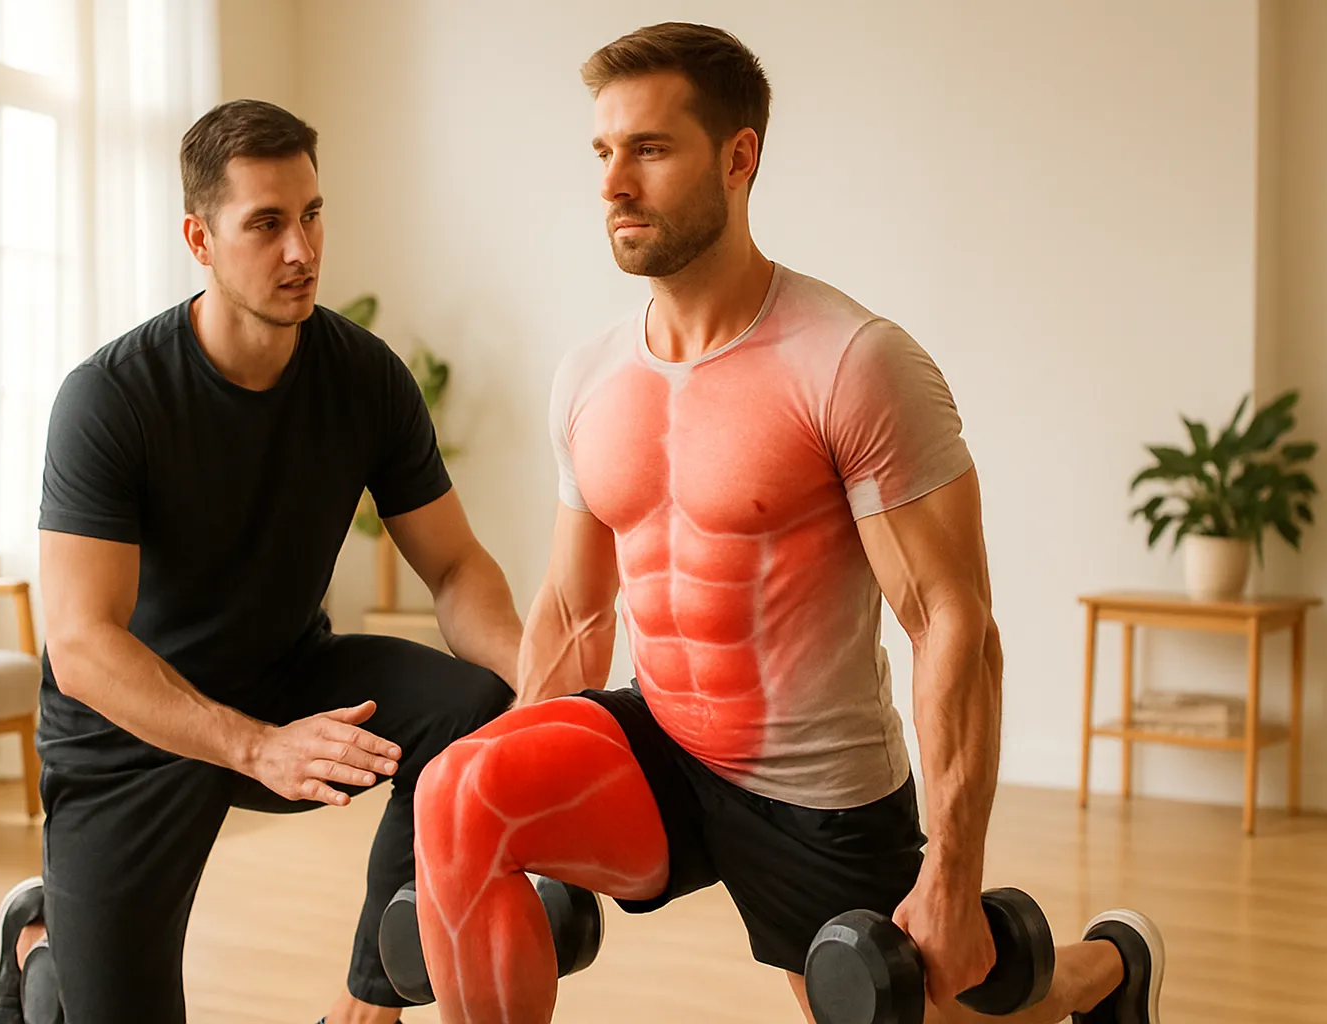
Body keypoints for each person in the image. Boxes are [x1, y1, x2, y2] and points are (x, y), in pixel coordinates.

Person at [410, 22, 1165, 1024]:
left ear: (739, 158)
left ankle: (1108, 968)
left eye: (649, 149)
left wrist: (952, 875)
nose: (613, 185)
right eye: (603, 151)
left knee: (935, 1001)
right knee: (458, 793)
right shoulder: (589, 377)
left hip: (815, 788)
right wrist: (520, 825)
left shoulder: (850, 361)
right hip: (660, 744)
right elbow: (576, 613)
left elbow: (952, 624)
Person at [0, 98, 520, 1024]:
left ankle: (368, 1004)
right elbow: (80, 645)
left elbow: (455, 566)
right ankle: (42, 947)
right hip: (132, 725)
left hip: (286, 681)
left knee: (471, 706)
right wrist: (256, 746)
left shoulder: (366, 378)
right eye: (266, 224)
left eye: (311, 215)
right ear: (200, 237)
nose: (301, 251)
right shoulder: (110, 398)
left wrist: (540, 680)